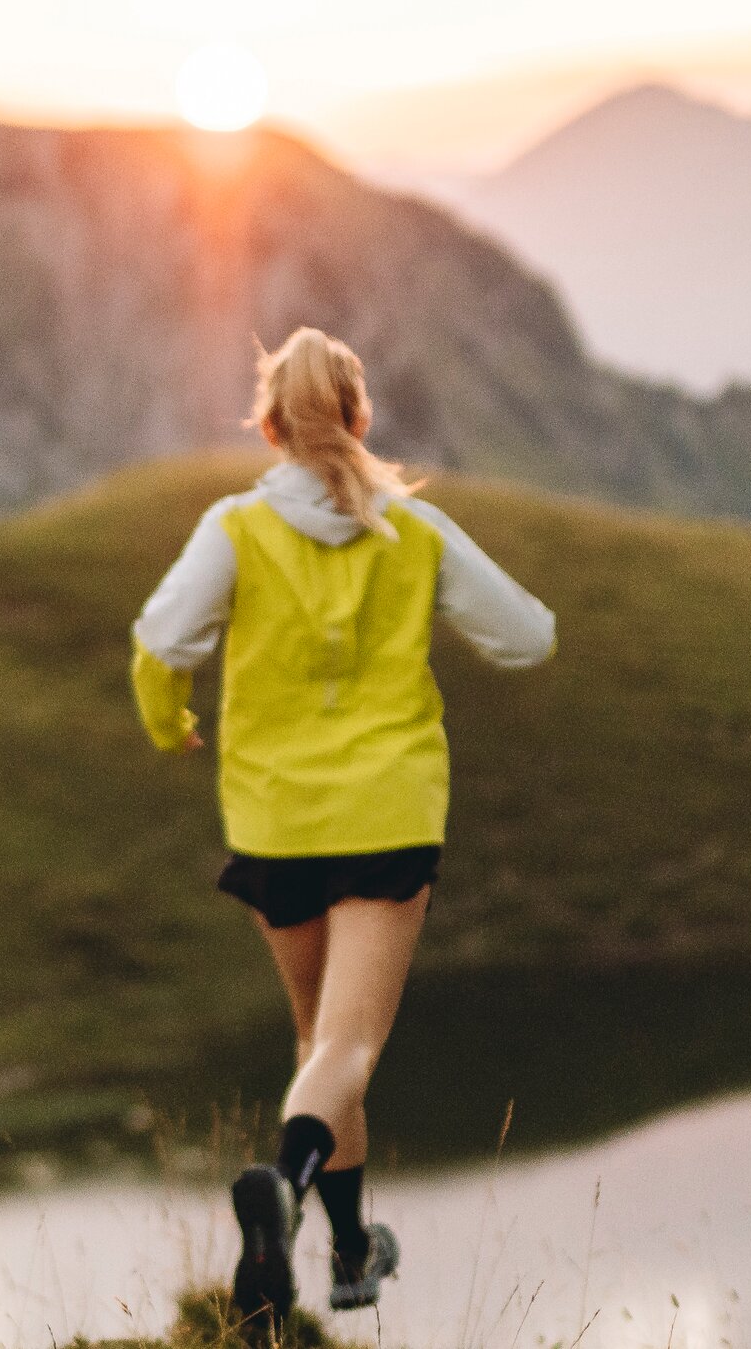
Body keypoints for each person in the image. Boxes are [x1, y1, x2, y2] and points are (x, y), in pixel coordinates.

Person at [125, 328, 555, 1327]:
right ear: (358, 417)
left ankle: (353, 1251)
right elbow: (527, 637)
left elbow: (160, 641)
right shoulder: (416, 532)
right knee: (347, 1052)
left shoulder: (232, 528)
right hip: (387, 815)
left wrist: (169, 724)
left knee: (320, 1041)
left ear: (268, 424)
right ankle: (282, 1185)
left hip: (273, 823)